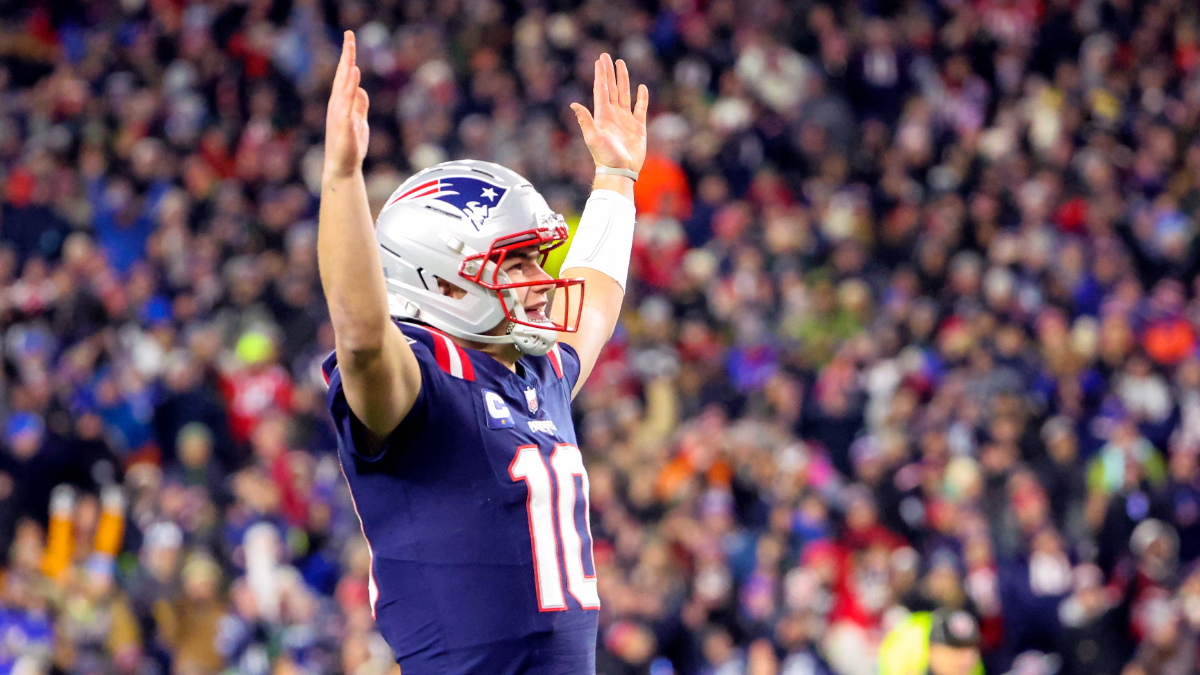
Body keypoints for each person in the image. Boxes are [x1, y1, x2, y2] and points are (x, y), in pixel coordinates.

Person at [316, 30, 647, 674]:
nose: (539, 280)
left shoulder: (531, 374)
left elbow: (597, 301)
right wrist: (342, 181)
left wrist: (615, 180)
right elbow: (360, 338)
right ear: (439, 281)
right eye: (514, 262)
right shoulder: (424, 388)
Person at [878, 608, 984, 675]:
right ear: (932, 650)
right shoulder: (904, 660)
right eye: (957, 650)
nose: (967, 660)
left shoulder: (975, 668)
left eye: (971, 649)